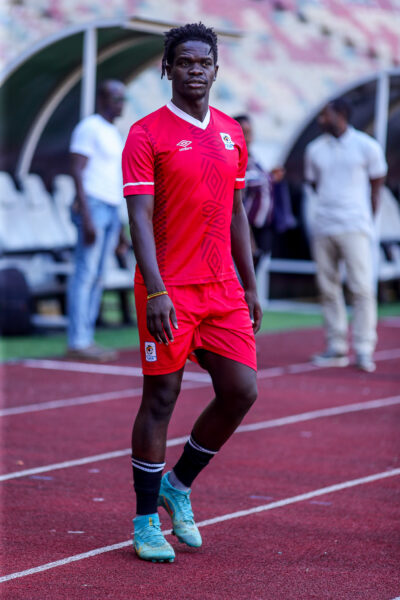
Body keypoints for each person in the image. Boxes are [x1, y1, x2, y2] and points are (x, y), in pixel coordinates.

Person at [122, 23, 262, 563]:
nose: (195, 70)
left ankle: (177, 486)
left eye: (204, 62)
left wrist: (250, 283)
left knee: (241, 390)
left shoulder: (231, 132)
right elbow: (139, 217)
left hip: (222, 287)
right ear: (168, 69)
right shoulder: (146, 134)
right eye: (185, 62)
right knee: (162, 398)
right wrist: (155, 290)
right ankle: (144, 522)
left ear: (216, 69)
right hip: (169, 288)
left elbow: (236, 213)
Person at [305, 99, 387, 372]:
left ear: (340, 115)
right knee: (328, 288)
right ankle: (336, 346)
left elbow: (377, 186)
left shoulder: (367, 146)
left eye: (325, 115)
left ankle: (364, 349)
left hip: (355, 226)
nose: (321, 120)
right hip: (323, 227)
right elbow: (315, 185)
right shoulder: (314, 150)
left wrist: (366, 221)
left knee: (361, 288)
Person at [66, 80, 126, 361]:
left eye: (123, 98)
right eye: (116, 98)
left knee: (99, 276)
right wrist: (86, 216)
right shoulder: (89, 127)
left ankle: (86, 338)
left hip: (111, 207)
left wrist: (120, 228)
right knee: (85, 273)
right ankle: (77, 341)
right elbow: (77, 171)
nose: (121, 103)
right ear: (102, 99)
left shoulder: (113, 132)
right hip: (93, 205)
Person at [234, 114, 287, 269]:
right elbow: (244, 184)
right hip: (245, 225)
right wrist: (269, 178)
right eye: (244, 132)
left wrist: (270, 177)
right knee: (243, 267)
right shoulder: (233, 158)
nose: (248, 137)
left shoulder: (254, 158)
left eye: (250, 132)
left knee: (255, 266)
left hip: (263, 225)